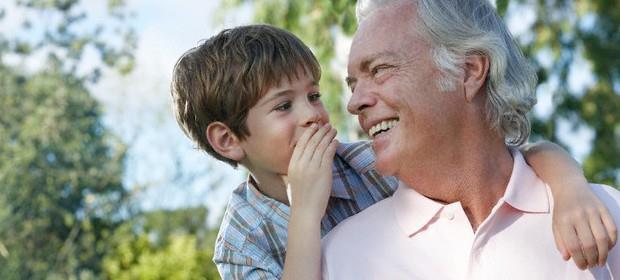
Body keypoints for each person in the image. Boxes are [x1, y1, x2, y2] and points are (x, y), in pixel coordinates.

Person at [170, 25, 615, 280]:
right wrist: (306, 213)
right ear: (228, 140)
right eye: (284, 106)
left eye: (314, 96)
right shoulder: (242, 238)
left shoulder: (366, 164)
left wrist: (570, 187)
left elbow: (514, 156)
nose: (314, 115)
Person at [321, 0, 620, 278]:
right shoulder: (337, 259)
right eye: (353, 85)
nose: (354, 103)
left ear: (468, 71)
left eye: (379, 70)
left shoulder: (607, 215)